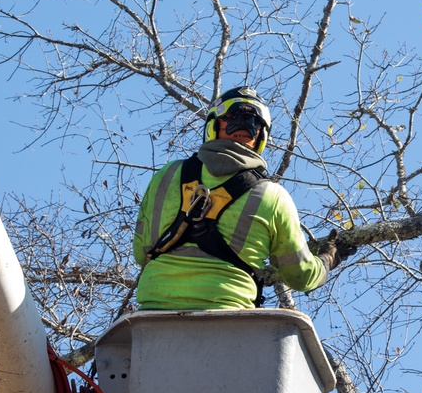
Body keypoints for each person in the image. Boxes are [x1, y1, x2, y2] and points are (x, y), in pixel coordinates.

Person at [133, 86, 340, 311]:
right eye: (234, 118)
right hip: (229, 319)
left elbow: (140, 251)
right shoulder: (272, 196)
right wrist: (327, 259)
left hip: (152, 314)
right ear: (261, 137)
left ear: (213, 126)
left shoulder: (167, 175)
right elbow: (300, 276)